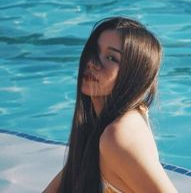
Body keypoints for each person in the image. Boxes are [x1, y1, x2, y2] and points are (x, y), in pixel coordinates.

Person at [43, 17, 178, 193]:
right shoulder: (118, 115)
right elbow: (72, 174)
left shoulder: (117, 136)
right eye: (93, 51)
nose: (92, 63)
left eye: (111, 58)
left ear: (133, 74)